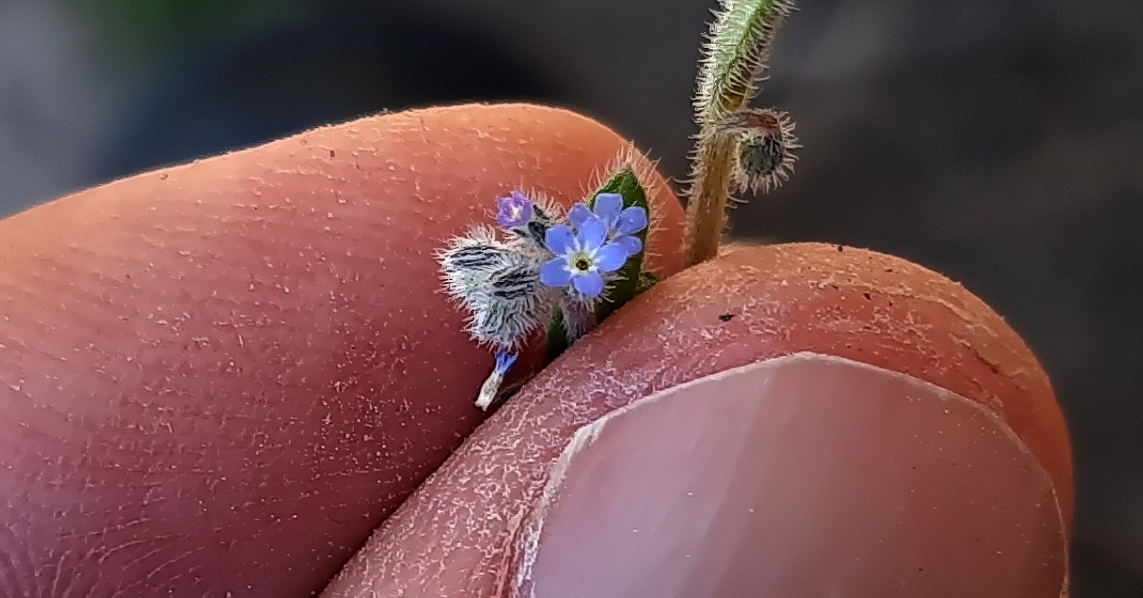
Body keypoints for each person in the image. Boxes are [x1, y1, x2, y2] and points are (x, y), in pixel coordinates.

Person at [0, 104, 1069, 597]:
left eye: (583, 246)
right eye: (580, 245)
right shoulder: (562, 279)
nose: (589, 245)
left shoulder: (574, 265)